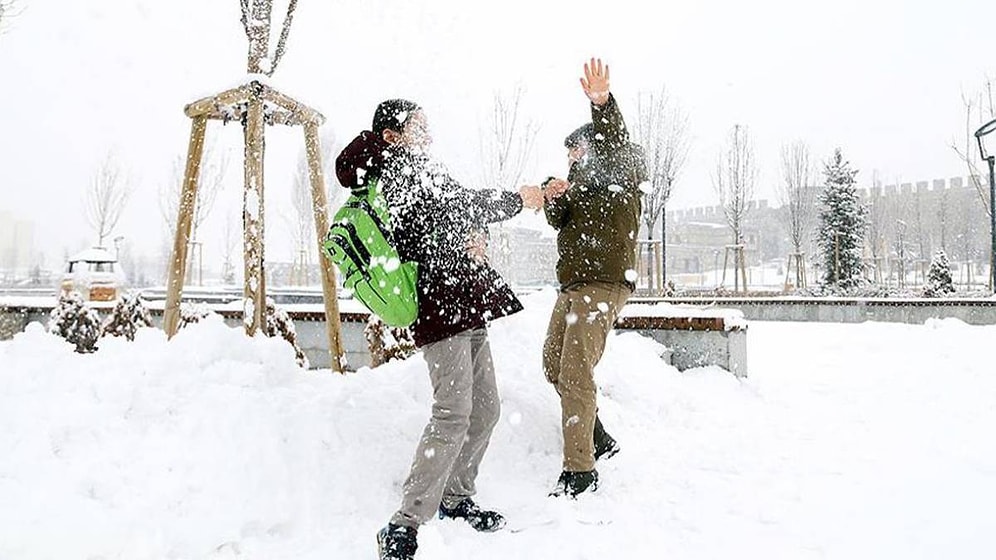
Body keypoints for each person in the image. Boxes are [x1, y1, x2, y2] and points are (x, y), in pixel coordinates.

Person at [335, 99, 545, 560]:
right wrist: (519, 199)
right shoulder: (395, 169)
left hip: (464, 301)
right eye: (418, 126)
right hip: (439, 305)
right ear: (392, 135)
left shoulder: (420, 167)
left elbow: (456, 214)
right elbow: (461, 204)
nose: (428, 134)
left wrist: (476, 236)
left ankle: (456, 497)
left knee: (486, 408)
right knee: (453, 412)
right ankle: (404, 523)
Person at [541, 58, 648, 498]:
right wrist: (552, 193)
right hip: (574, 286)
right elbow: (558, 220)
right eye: (568, 154)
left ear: (595, 146)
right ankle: (596, 434)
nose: (572, 158)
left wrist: (601, 103)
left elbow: (614, 139)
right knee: (553, 362)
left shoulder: (620, 168)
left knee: (575, 371)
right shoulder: (579, 186)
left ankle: (580, 470)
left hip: (603, 283)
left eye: (577, 150)